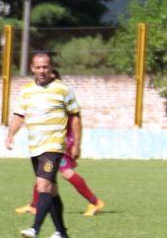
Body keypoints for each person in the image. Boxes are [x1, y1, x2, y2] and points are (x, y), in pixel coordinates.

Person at [5, 53, 81, 238]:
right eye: (38, 67)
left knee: (43, 185)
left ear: (51, 67)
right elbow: (19, 115)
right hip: (35, 147)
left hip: (53, 146)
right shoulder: (27, 91)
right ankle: (61, 233)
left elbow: (76, 116)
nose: (42, 71)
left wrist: (77, 144)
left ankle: (35, 229)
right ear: (32, 68)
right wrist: (10, 134)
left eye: (45, 67)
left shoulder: (63, 89)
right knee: (51, 189)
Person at [14, 69, 104, 217]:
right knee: (43, 174)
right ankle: (34, 205)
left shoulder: (62, 96)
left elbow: (75, 119)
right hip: (51, 142)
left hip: (61, 142)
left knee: (67, 173)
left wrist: (75, 143)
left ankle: (95, 202)